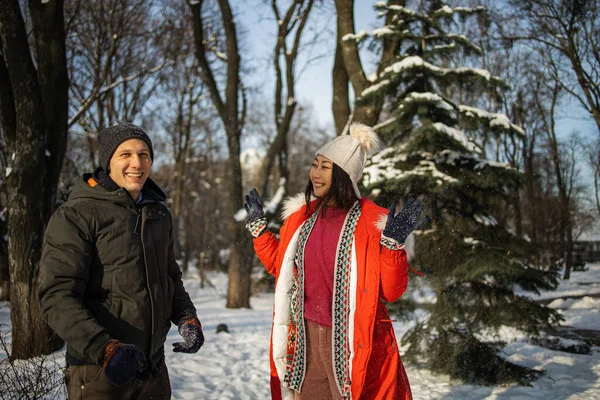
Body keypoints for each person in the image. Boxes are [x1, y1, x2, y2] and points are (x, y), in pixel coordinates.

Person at [244, 123, 428, 400]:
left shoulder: (372, 222)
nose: (315, 174)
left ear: (344, 175)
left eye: (324, 167)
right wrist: (259, 232)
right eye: (315, 164)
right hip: (305, 337)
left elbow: (390, 291)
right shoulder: (301, 217)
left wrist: (393, 247)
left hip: (353, 341)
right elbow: (281, 268)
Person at [39, 122, 204, 399]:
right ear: (108, 162)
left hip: (152, 367)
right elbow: (56, 295)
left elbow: (170, 277)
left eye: (144, 155)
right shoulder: (77, 215)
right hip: (98, 370)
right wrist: (106, 350)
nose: (136, 163)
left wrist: (187, 317)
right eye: (125, 154)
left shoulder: (158, 215)